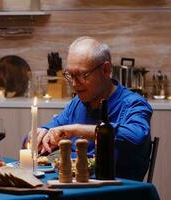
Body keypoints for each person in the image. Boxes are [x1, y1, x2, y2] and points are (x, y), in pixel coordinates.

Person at [37, 36, 152, 181]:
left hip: (118, 191)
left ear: (106, 70)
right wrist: (42, 133)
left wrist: (78, 129)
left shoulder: (134, 103)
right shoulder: (78, 102)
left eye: (81, 75)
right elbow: (53, 128)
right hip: (74, 189)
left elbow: (137, 136)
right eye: (70, 75)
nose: (73, 83)